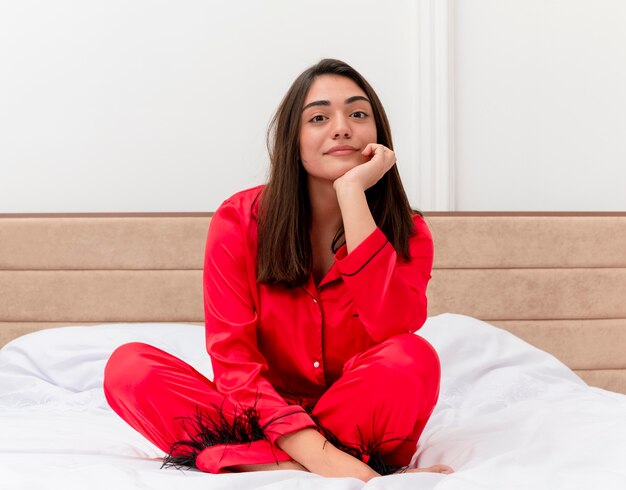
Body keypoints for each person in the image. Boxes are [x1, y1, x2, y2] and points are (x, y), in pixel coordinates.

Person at [103, 58, 453, 482]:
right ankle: (316, 467)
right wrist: (316, 451)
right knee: (129, 368)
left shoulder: (409, 232)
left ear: (377, 135)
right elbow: (233, 361)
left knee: (413, 358)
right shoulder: (239, 220)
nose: (341, 127)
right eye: (319, 117)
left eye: (358, 114)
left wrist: (351, 193)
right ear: (294, 138)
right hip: (255, 414)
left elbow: (393, 328)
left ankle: (251, 461)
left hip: (357, 422)